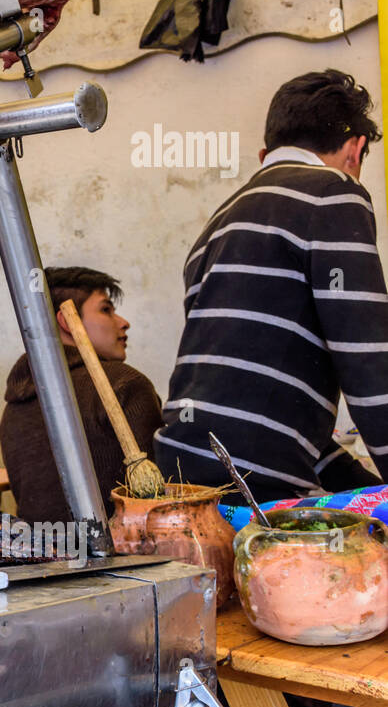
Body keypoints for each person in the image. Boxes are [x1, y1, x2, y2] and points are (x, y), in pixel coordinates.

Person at [155, 70, 388, 502]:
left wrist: (369, 487)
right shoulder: (334, 194)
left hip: (180, 476)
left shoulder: (214, 229)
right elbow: (371, 367)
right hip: (252, 486)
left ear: (269, 152)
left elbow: (281, 418)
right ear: (356, 150)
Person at [0, 267, 162, 523]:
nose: (123, 322)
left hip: (36, 554)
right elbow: (159, 500)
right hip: (116, 557)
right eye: (106, 310)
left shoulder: (14, 405)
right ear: (66, 320)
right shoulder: (125, 384)